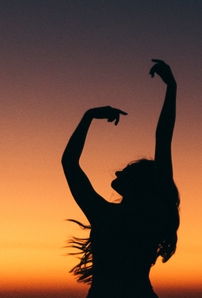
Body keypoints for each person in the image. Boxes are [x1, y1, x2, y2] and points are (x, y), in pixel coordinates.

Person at [62, 59, 180, 297]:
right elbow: (69, 164)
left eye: (127, 170)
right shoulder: (140, 214)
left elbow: (163, 139)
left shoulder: (110, 214)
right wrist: (87, 116)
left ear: (142, 182)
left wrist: (89, 116)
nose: (117, 172)